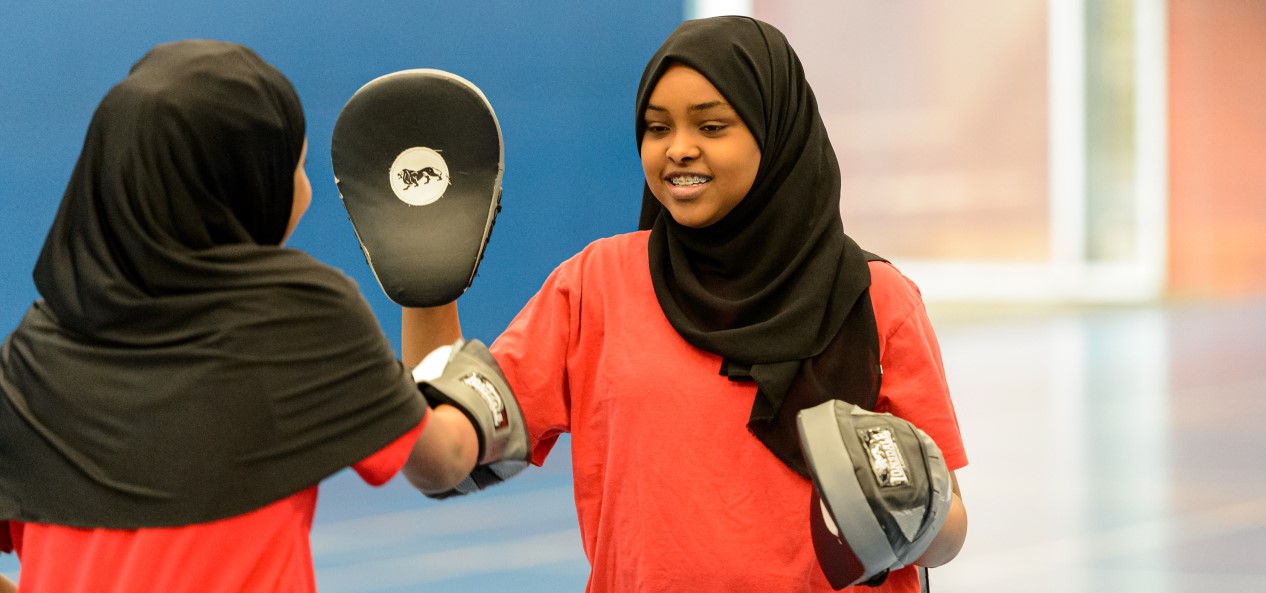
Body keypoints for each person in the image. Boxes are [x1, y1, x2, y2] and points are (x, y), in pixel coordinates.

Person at [404, 16, 968, 592]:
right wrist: (424, 284)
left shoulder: (875, 299)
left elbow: (949, 532)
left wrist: (906, 508)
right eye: (656, 127)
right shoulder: (596, 284)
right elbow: (446, 460)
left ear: (774, 131)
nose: (678, 149)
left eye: (713, 126)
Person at [0, 40, 486, 592]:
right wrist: (479, 385)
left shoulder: (30, 356)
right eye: (295, 168)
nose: (302, 188)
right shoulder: (300, 318)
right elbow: (443, 460)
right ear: (241, 189)